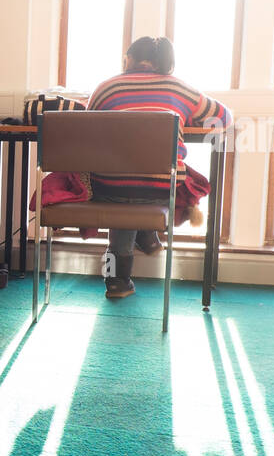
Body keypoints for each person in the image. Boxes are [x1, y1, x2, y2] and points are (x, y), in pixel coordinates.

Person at [85, 36, 231, 299]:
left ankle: (116, 281)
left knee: (122, 202)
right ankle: (146, 234)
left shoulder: (106, 88)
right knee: (151, 185)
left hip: (109, 185)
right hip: (161, 188)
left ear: (129, 59)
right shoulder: (180, 89)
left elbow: (86, 128)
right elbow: (224, 116)